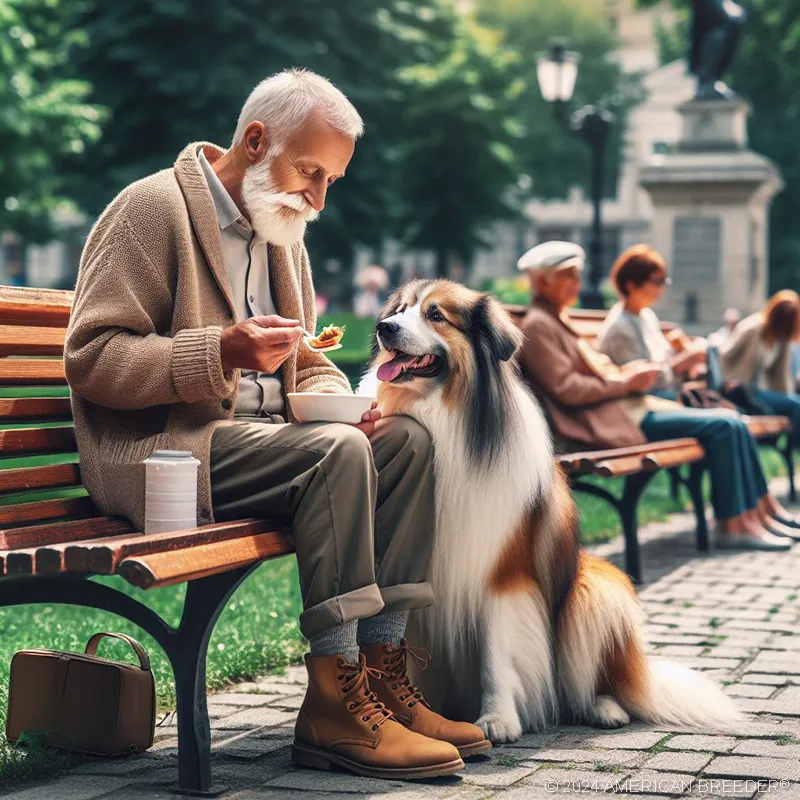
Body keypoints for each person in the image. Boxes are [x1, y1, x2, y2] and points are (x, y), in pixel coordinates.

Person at [64, 69, 487, 780]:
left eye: (332, 182)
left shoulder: (281, 228)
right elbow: (93, 359)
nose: (318, 198)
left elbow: (306, 363)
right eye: (309, 172)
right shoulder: (149, 211)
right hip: (168, 453)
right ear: (255, 140)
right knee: (332, 454)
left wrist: (351, 406)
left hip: (271, 446)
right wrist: (221, 350)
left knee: (406, 441)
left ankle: (384, 676)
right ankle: (333, 700)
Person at [517, 240, 795, 551]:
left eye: (577, 274)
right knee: (725, 425)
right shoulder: (540, 326)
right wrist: (627, 382)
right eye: (569, 275)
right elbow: (567, 389)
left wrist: (628, 375)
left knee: (732, 422)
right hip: (615, 418)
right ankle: (733, 525)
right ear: (543, 281)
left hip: (630, 409)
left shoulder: (557, 319)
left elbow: (601, 372)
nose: (578, 282)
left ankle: (752, 516)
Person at [596, 244, 706, 398]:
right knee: (726, 421)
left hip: (664, 396)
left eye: (663, 281)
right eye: (657, 281)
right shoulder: (620, 328)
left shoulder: (646, 315)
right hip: (641, 404)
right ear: (632, 285)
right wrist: (681, 364)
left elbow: (663, 361)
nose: (661, 288)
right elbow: (642, 382)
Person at [719, 290, 800, 439]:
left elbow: (781, 375)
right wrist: (728, 382)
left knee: (795, 404)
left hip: (760, 391)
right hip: (742, 391)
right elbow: (724, 355)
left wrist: (787, 396)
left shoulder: (781, 338)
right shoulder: (753, 328)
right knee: (797, 405)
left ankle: (788, 447)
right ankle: (791, 449)